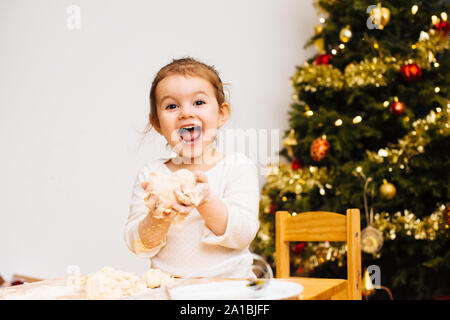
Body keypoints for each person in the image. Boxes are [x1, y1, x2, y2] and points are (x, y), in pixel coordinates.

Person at [124, 57, 260, 278]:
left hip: (230, 287)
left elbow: (242, 234)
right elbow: (138, 245)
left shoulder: (237, 168)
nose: (185, 113)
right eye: (171, 106)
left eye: (198, 103)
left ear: (222, 114)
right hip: (170, 289)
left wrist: (206, 201)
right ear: (157, 123)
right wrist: (157, 217)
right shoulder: (151, 175)